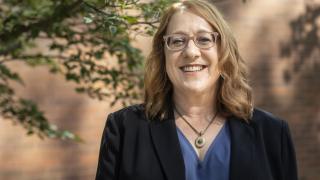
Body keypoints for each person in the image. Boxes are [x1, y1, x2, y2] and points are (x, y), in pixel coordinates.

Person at [95, 0, 298, 180]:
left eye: (204, 39)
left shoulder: (272, 133)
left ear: (223, 52)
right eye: (177, 41)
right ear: (163, 55)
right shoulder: (125, 129)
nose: (191, 52)